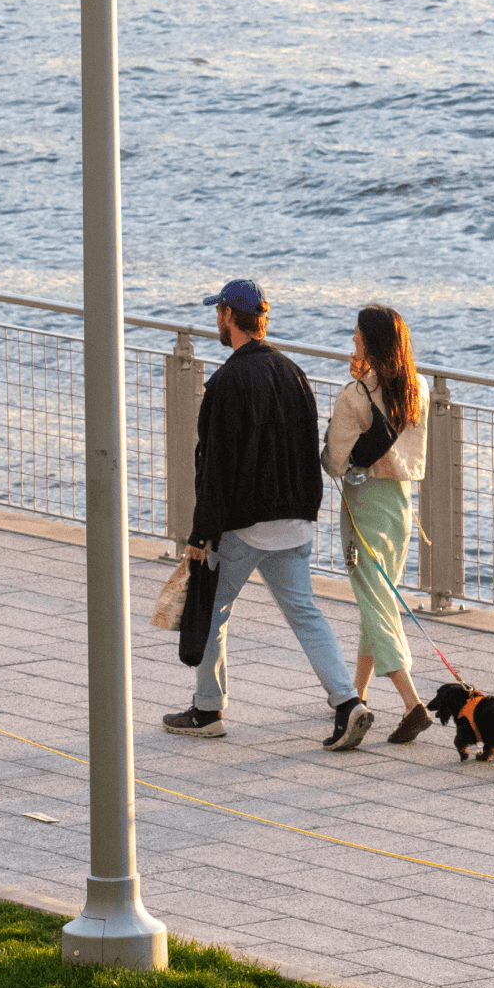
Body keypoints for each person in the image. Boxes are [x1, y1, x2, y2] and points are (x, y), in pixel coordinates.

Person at [162, 277, 370, 751]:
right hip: (295, 519)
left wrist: (202, 533)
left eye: (219, 312)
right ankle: (347, 703)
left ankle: (208, 709)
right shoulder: (294, 373)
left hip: (246, 524)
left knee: (213, 610)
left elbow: (215, 465)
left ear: (229, 317)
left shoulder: (227, 382)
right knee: (305, 612)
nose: (217, 318)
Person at [321, 303, 432, 745]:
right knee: (380, 597)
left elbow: (334, 460)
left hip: (364, 504)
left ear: (370, 343)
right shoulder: (417, 387)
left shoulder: (355, 396)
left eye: (356, 337)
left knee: (375, 603)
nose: (352, 341)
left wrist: (355, 383)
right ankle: (358, 693)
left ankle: (411, 703)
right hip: (401, 505)